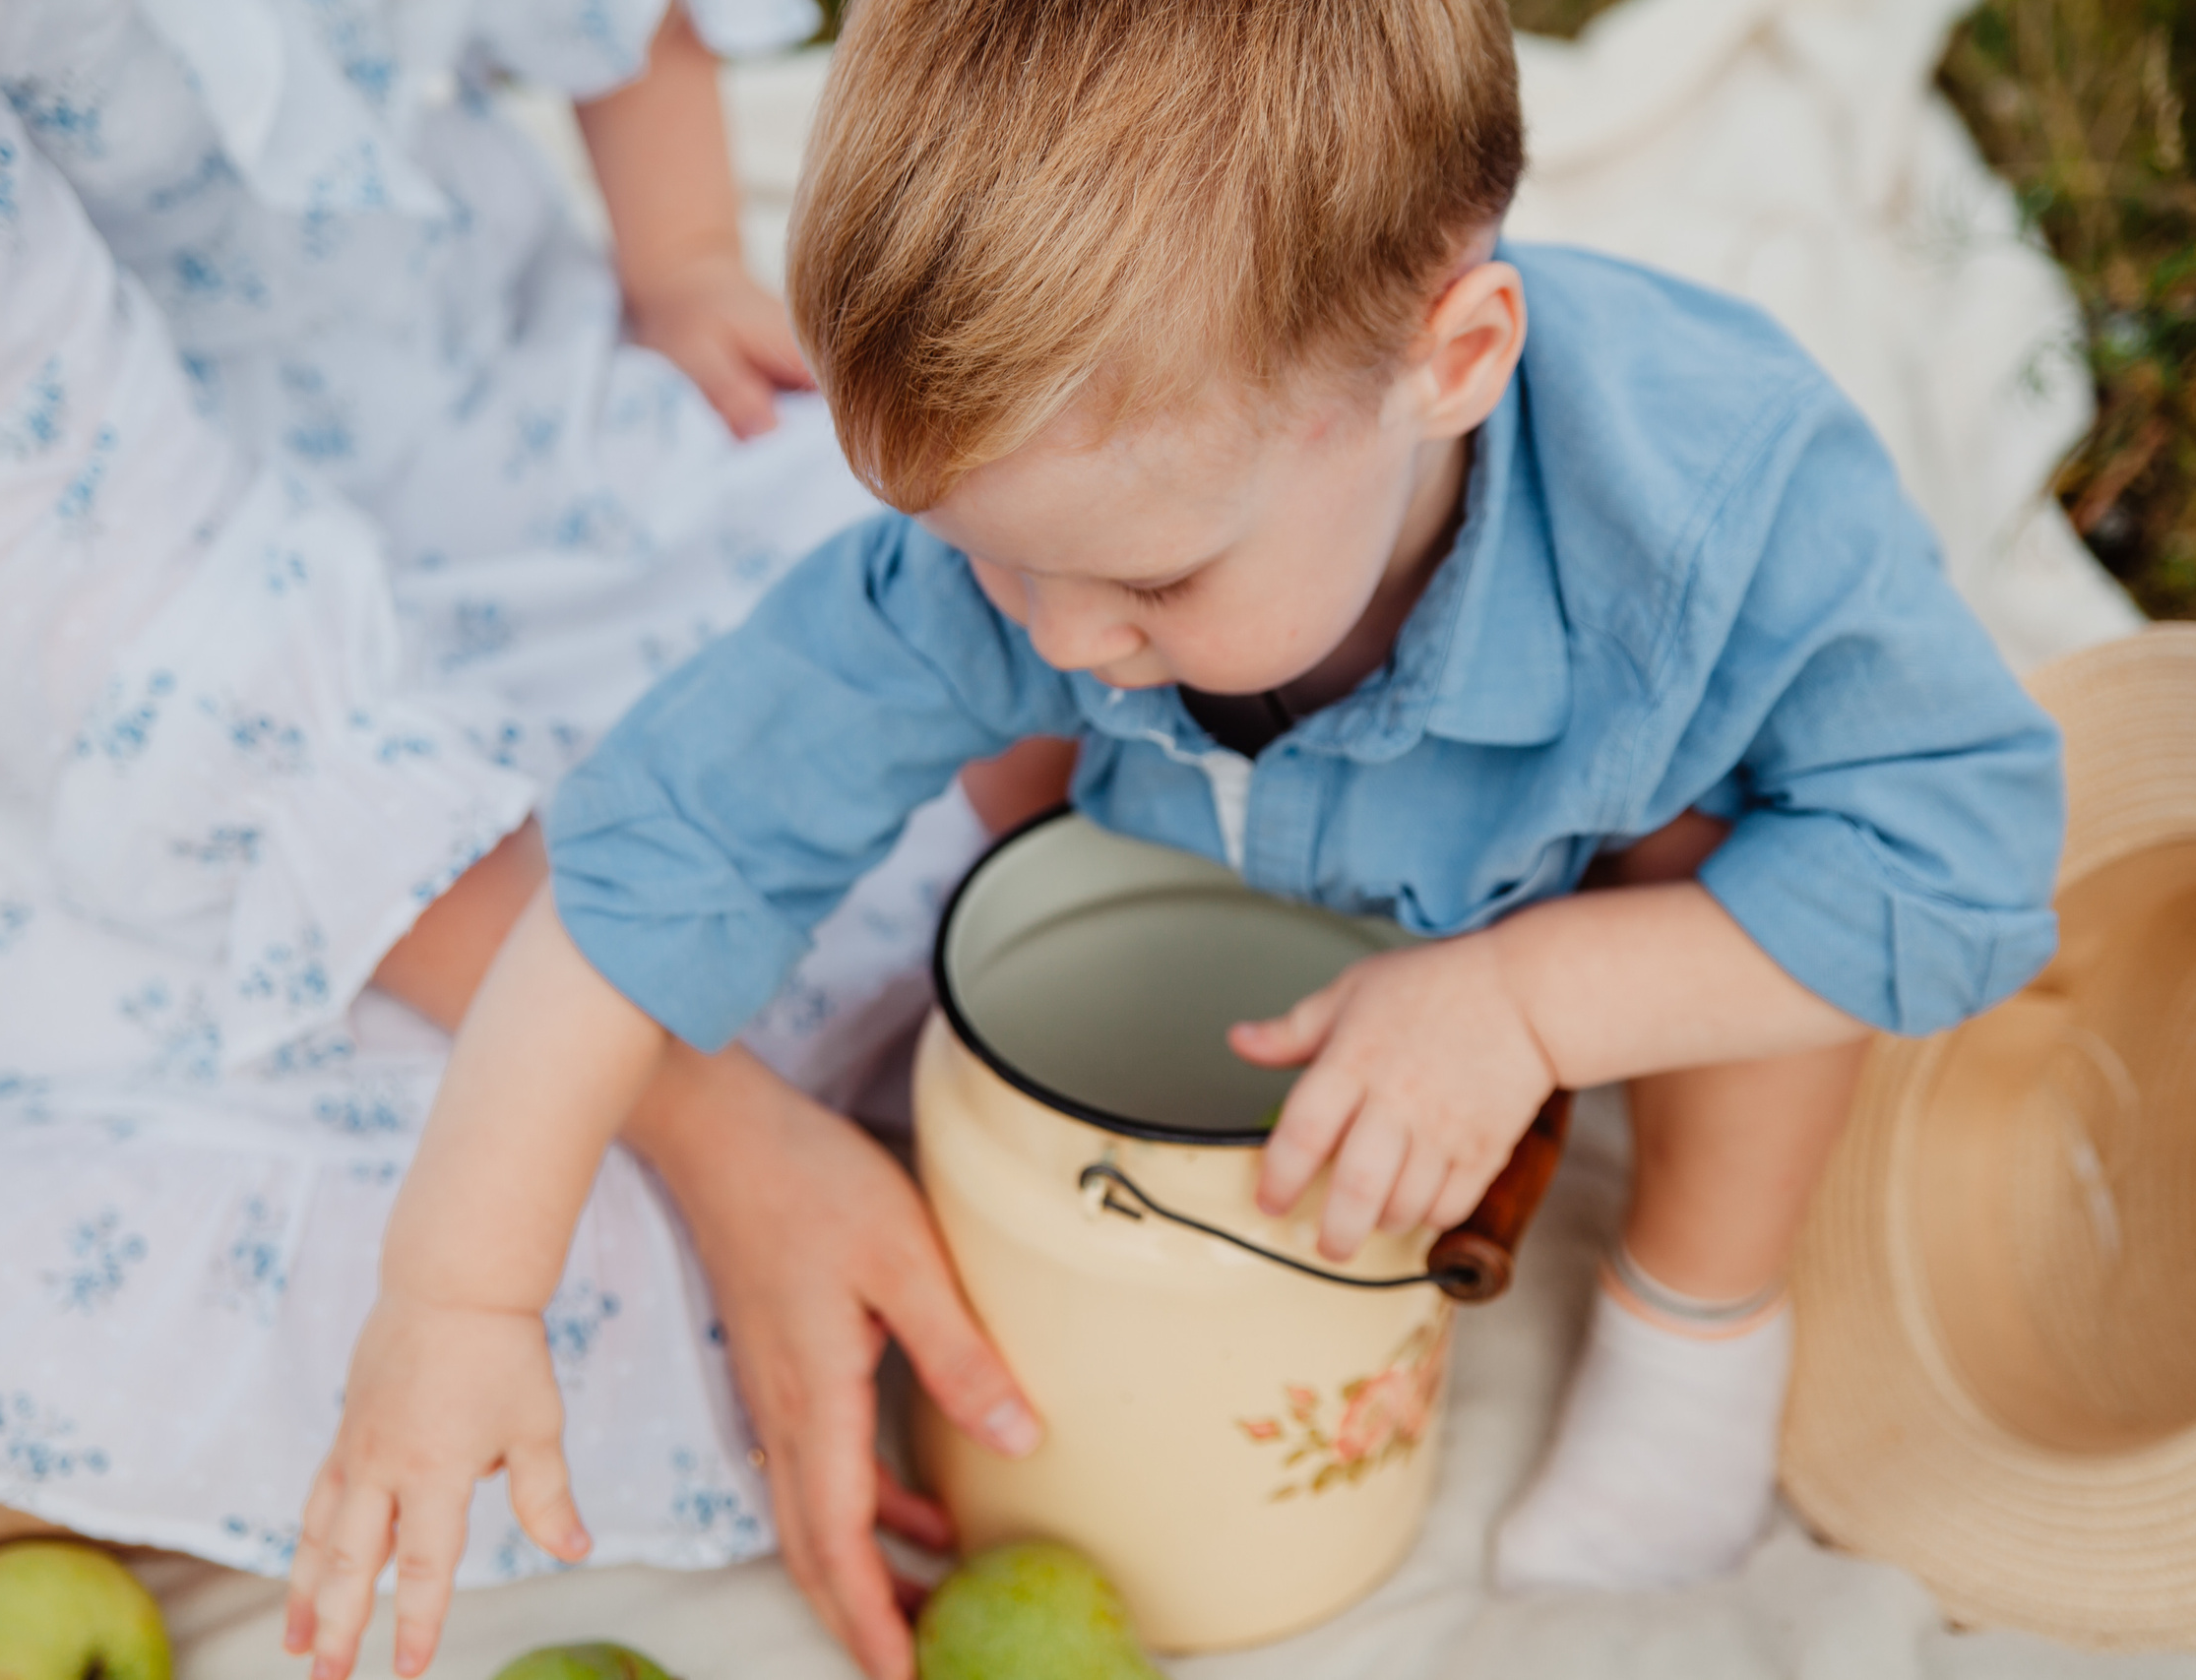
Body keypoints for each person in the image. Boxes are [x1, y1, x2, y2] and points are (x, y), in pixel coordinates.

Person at [282, 2, 2065, 1678]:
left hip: (1576, 850)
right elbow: (667, 844)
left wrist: (1532, 1004)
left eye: (1146, 577)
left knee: (1752, 842)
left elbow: (1964, 862)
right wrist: (458, 1290)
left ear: (1451, 362)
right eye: (992, 550)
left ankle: (1696, 1329)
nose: (1060, 630)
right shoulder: (1064, 569)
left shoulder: (1714, 510)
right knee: (1001, 727)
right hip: (1215, 828)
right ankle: (1159, 872)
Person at [0, 4, 1066, 1595]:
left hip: (487, 420)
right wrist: (705, 1117)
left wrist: (676, 258)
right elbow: (123, 622)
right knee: (510, 1214)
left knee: (1047, 578)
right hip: (85, 697)